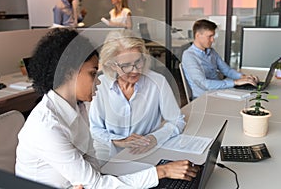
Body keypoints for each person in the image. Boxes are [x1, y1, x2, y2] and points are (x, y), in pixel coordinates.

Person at [15, 28, 199, 189]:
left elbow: (92, 162)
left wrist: (95, 178)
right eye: (93, 73)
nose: (98, 80)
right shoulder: (46, 126)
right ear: (69, 71)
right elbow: (95, 182)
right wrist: (162, 171)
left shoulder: (78, 108)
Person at [89, 30, 186, 162]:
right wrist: (120, 141)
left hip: (147, 154)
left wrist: (154, 138)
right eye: (126, 65)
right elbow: (95, 128)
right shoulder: (101, 85)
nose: (135, 70)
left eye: (138, 61)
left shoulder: (158, 82)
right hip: (110, 156)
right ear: (112, 65)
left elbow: (177, 121)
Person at [182, 19, 258, 99]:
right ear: (197, 36)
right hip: (204, 99)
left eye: (213, 36)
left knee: (251, 96)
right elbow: (204, 84)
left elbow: (227, 70)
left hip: (219, 92)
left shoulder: (211, 52)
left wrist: (244, 77)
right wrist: (235, 82)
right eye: (210, 36)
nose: (212, 40)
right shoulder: (189, 56)